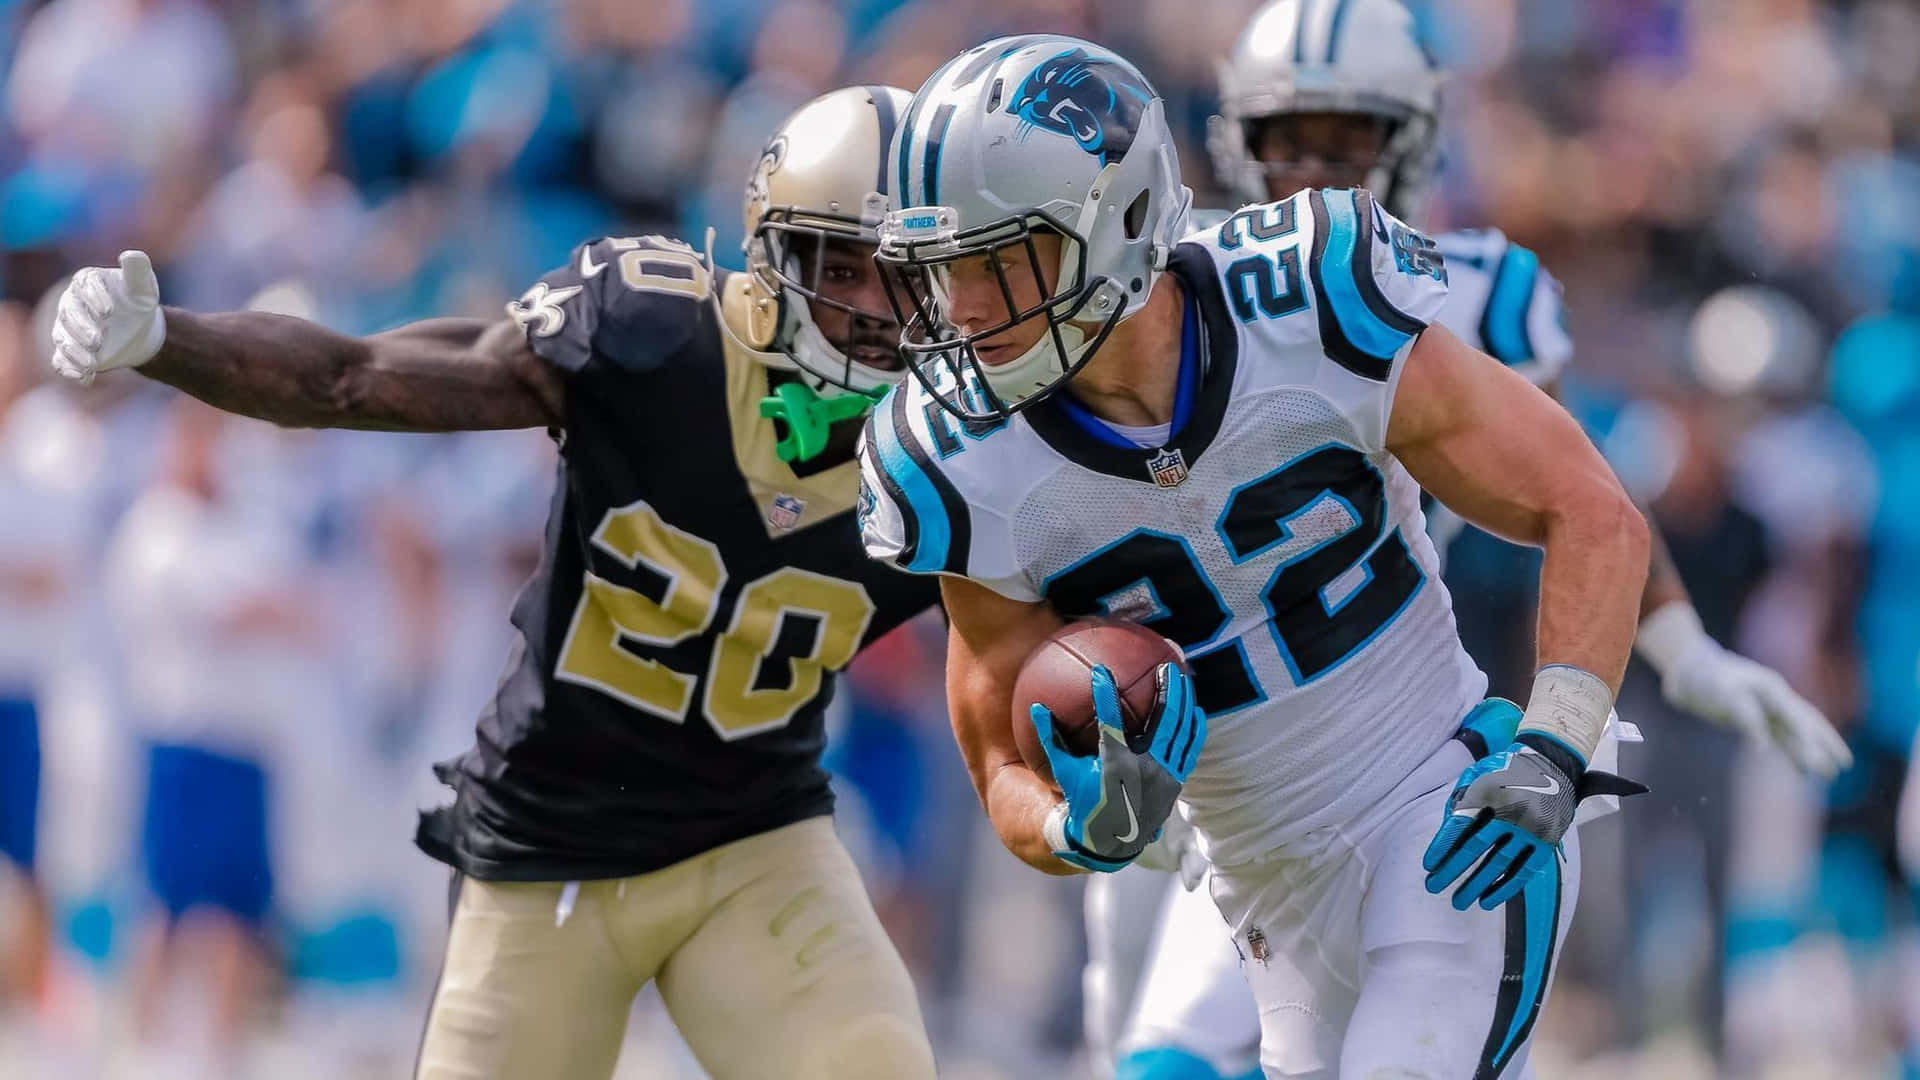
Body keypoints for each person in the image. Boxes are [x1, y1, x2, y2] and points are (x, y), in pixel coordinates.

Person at [49, 86, 943, 1080]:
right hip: (548, 846)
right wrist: (171, 341)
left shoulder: (963, 448)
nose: (873, 311)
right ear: (777, 255)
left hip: (757, 840)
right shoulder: (654, 332)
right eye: (846, 268)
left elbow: (1033, 638)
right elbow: (353, 378)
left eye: (906, 278)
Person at [1081, 4, 1858, 1077]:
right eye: (1286, 138)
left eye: (1346, 140)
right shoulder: (1166, 295)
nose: (1311, 168)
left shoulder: (1474, 289)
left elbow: (1579, 494)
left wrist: (1678, 648)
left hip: (1418, 730)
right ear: (1235, 140)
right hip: (1229, 757)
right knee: (1160, 1052)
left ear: (1408, 138)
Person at [860, 33, 1651, 1079]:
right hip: (1259, 901)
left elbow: (1588, 508)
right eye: (944, 269)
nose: (961, 310)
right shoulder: (952, 458)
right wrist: (1080, 825)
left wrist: (1556, 744)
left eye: (999, 261)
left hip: (1445, 816)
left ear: (1121, 220)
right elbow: (999, 764)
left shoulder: (1309, 301)